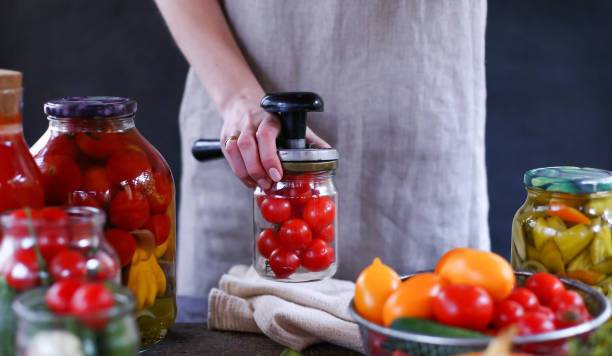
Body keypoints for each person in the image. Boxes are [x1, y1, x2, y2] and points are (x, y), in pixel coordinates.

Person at [155, 0, 490, 315]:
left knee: (426, 323)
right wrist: (237, 98)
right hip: (243, 118)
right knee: (231, 331)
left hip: (417, 125)